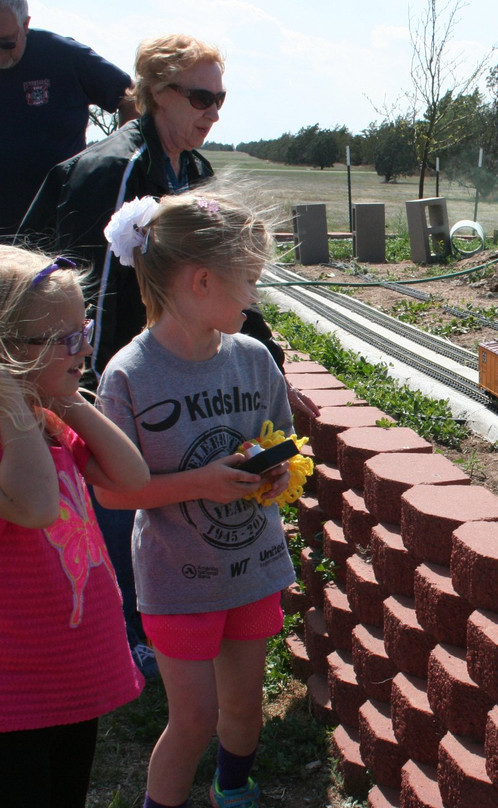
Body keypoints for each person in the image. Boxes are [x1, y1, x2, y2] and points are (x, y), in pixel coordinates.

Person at [20, 33, 317, 677]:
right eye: (201, 97)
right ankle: (134, 630)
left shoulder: (196, 173)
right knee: (123, 493)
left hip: (174, 355)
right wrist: (84, 388)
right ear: (156, 94)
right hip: (120, 364)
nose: (214, 111)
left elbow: (228, 274)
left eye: (222, 98)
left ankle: (159, 623)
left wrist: (263, 350)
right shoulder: (115, 171)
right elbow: (81, 288)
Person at [95, 189, 296, 808]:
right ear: (203, 280)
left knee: (243, 708)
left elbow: (283, 441)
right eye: (251, 281)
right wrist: (200, 483)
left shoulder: (254, 358)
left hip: (252, 568)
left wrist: (279, 475)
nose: (256, 298)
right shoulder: (128, 374)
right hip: (178, 580)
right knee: (193, 720)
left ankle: (232, 788)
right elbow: (111, 489)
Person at [0, 245, 148, 806]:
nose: (84, 347)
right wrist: (13, 401)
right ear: (6, 354)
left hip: (67, 676)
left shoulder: (51, 420)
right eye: (64, 339)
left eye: (83, 328)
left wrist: (72, 402)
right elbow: (36, 507)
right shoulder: (17, 432)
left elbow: (129, 478)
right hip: (12, 689)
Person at [0, 0, 136, 240]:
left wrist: (115, 163)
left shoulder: (63, 55)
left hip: (56, 223)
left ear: (26, 25)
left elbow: (130, 98)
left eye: (7, 42)